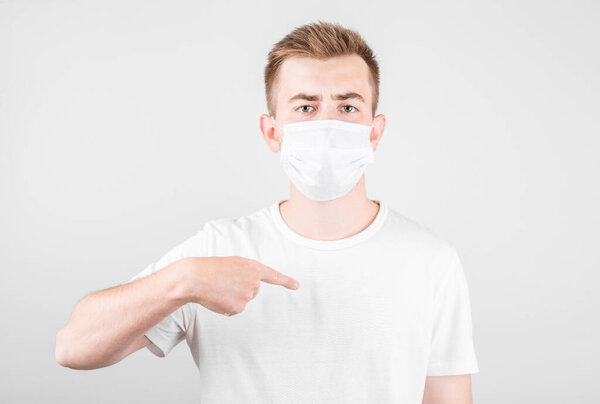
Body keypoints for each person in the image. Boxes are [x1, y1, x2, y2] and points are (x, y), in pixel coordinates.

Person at [55, 20, 479, 403]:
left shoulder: (430, 262)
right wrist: (183, 280)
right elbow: (73, 348)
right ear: (273, 132)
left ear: (375, 131)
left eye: (347, 107)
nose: (326, 124)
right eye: (306, 107)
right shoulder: (218, 250)